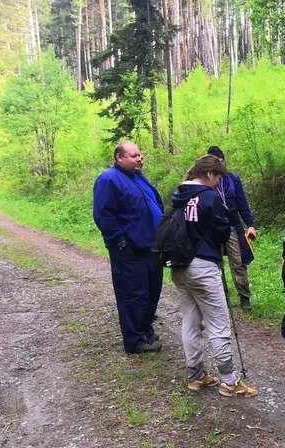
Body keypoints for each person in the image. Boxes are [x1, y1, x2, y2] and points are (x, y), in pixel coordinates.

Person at [169, 155, 258, 397]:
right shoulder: (210, 197)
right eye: (218, 177)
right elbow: (222, 232)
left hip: (179, 266)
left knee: (190, 321)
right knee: (218, 324)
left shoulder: (178, 195)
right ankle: (229, 381)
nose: (219, 182)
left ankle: (196, 376)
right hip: (203, 266)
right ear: (209, 174)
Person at [93, 141, 164, 354]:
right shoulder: (109, 179)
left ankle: (145, 330)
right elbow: (103, 214)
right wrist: (120, 241)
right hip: (129, 249)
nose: (139, 159)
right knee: (134, 293)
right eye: (133, 156)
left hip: (151, 246)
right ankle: (134, 340)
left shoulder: (138, 177)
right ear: (118, 158)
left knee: (151, 291)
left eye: (140, 155)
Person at [207, 146, 256, 312]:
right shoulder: (205, 181)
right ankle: (222, 296)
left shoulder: (232, 179)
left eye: (221, 161)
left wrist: (250, 224)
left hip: (232, 227)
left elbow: (242, 203)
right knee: (216, 263)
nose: (219, 165)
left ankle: (244, 297)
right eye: (215, 162)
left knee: (238, 262)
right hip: (213, 228)